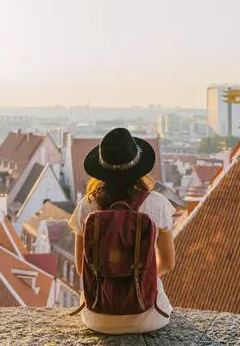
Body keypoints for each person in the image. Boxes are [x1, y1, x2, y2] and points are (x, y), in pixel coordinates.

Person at [69, 127, 176, 335]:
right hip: (148, 315)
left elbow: (82, 268)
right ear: (139, 168)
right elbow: (169, 263)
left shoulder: (86, 206)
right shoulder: (157, 204)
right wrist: (141, 276)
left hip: (97, 314)